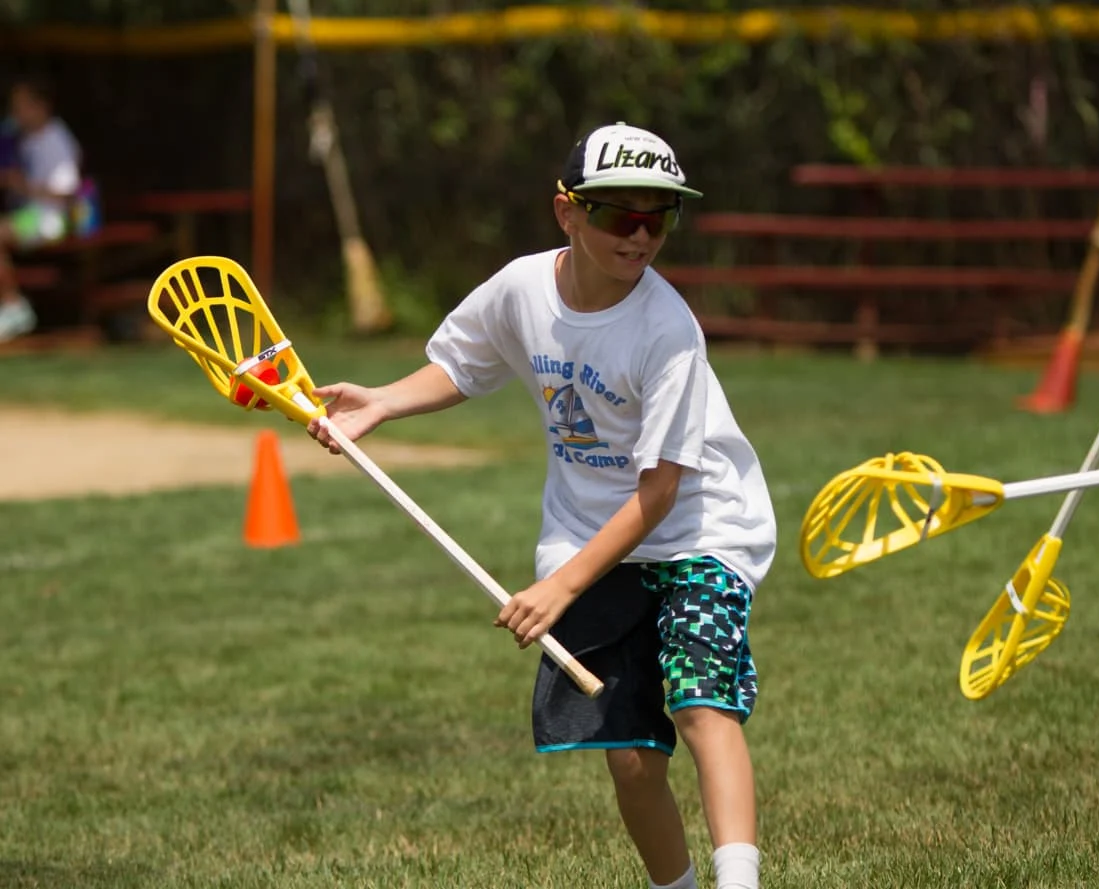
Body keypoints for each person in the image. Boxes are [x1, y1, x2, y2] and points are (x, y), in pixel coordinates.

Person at [307, 122, 775, 889]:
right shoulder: (521, 289)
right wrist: (382, 403)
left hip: (700, 533)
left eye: (660, 217)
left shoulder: (668, 330)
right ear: (568, 213)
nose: (641, 235)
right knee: (630, 756)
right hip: (591, 538)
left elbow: (660, 491)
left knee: (701, 704)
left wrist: (561, 585)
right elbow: (464, 363)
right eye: (620, 215)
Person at [0, 76, 83, 343]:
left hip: (52, 218)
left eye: (22, 106)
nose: (16, 113)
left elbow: (66, 193)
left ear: (41, 107)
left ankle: (13, 306)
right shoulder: (21, 138)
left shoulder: (56, 140)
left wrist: (21, 185)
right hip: (30, 215)